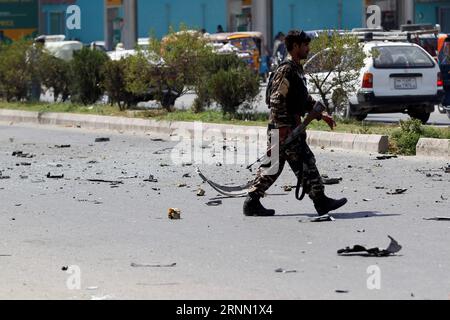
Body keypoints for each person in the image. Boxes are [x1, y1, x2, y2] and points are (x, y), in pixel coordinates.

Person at [243, 30, 348, 217]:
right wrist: (283, 128)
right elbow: (276, 100)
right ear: (295, 47)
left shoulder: (297, 70)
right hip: (284, 128)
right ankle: (320, 201)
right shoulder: (286, 70)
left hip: (286, 128)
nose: (308, 48)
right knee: (306, 162)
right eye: (305, 45)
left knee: (273, 167)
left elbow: (303, 99)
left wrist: (321, 114)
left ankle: (252, 202)